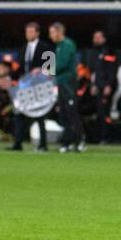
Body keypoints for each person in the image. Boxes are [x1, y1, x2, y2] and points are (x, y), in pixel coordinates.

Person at [12, 22, 51, 151]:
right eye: (27, 31)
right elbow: (20, 68)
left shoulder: (46, 47)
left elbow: (51, 69)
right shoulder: (23, 48)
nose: (28, 34)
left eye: (31, 31)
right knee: (19, 114)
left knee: (40, 116)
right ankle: (18, 143)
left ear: (37, 33)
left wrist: (40, 69)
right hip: (25, 87)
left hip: (39, 87)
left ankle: (43, 144)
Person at [48, 21, 84, 152]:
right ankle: (67, 142)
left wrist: (47, 71)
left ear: (59, 32)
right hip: (62, 84)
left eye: (52, 32)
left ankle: (79, 141)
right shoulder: (58, 46)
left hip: (69, 84)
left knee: (71, 113)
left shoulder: (67, 45)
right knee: (63, 114)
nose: (50, 35)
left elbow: (61, 64)